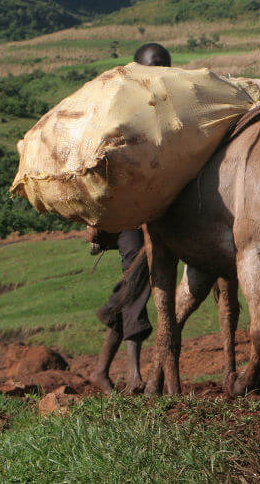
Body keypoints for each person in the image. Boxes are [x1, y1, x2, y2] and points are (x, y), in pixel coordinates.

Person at [89, 42, 171, 393]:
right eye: (153, 66)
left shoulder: (169, 105)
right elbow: (99, 160)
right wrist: (95, 219)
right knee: (138, 282)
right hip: (127, 214)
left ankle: (102, 370)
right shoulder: (119, 111)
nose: (159, 73)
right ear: (136, 69)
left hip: (161, 210)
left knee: (138, 285)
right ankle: (134, 373)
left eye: (164, 67)